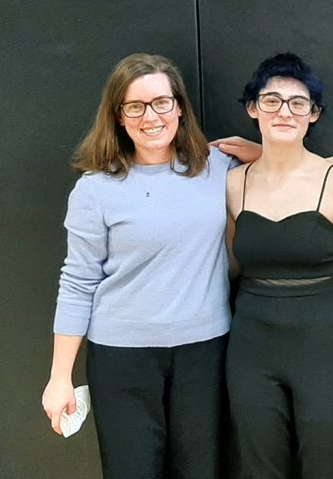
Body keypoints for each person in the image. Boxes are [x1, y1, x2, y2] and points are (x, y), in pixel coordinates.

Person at [42, 53, 234, 478]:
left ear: (180, 107)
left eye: (162, 102)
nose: (151, 116)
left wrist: (257, 149)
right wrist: (60, 377)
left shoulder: (218, 168)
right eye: (136, 106)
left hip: (204, 354)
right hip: (121, 359)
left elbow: (288, 174)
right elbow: (77, 282)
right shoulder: (95, 190)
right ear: (119, 117)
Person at [224, 52, 333, 478]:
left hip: (325, 348)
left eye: (298, 103)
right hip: (251, 349)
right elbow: (228, 266)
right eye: (272, 100)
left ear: (312, 116)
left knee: (329, 465)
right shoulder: (233, 183)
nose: (285, 111)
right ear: (253, 108)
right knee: (260, 467)